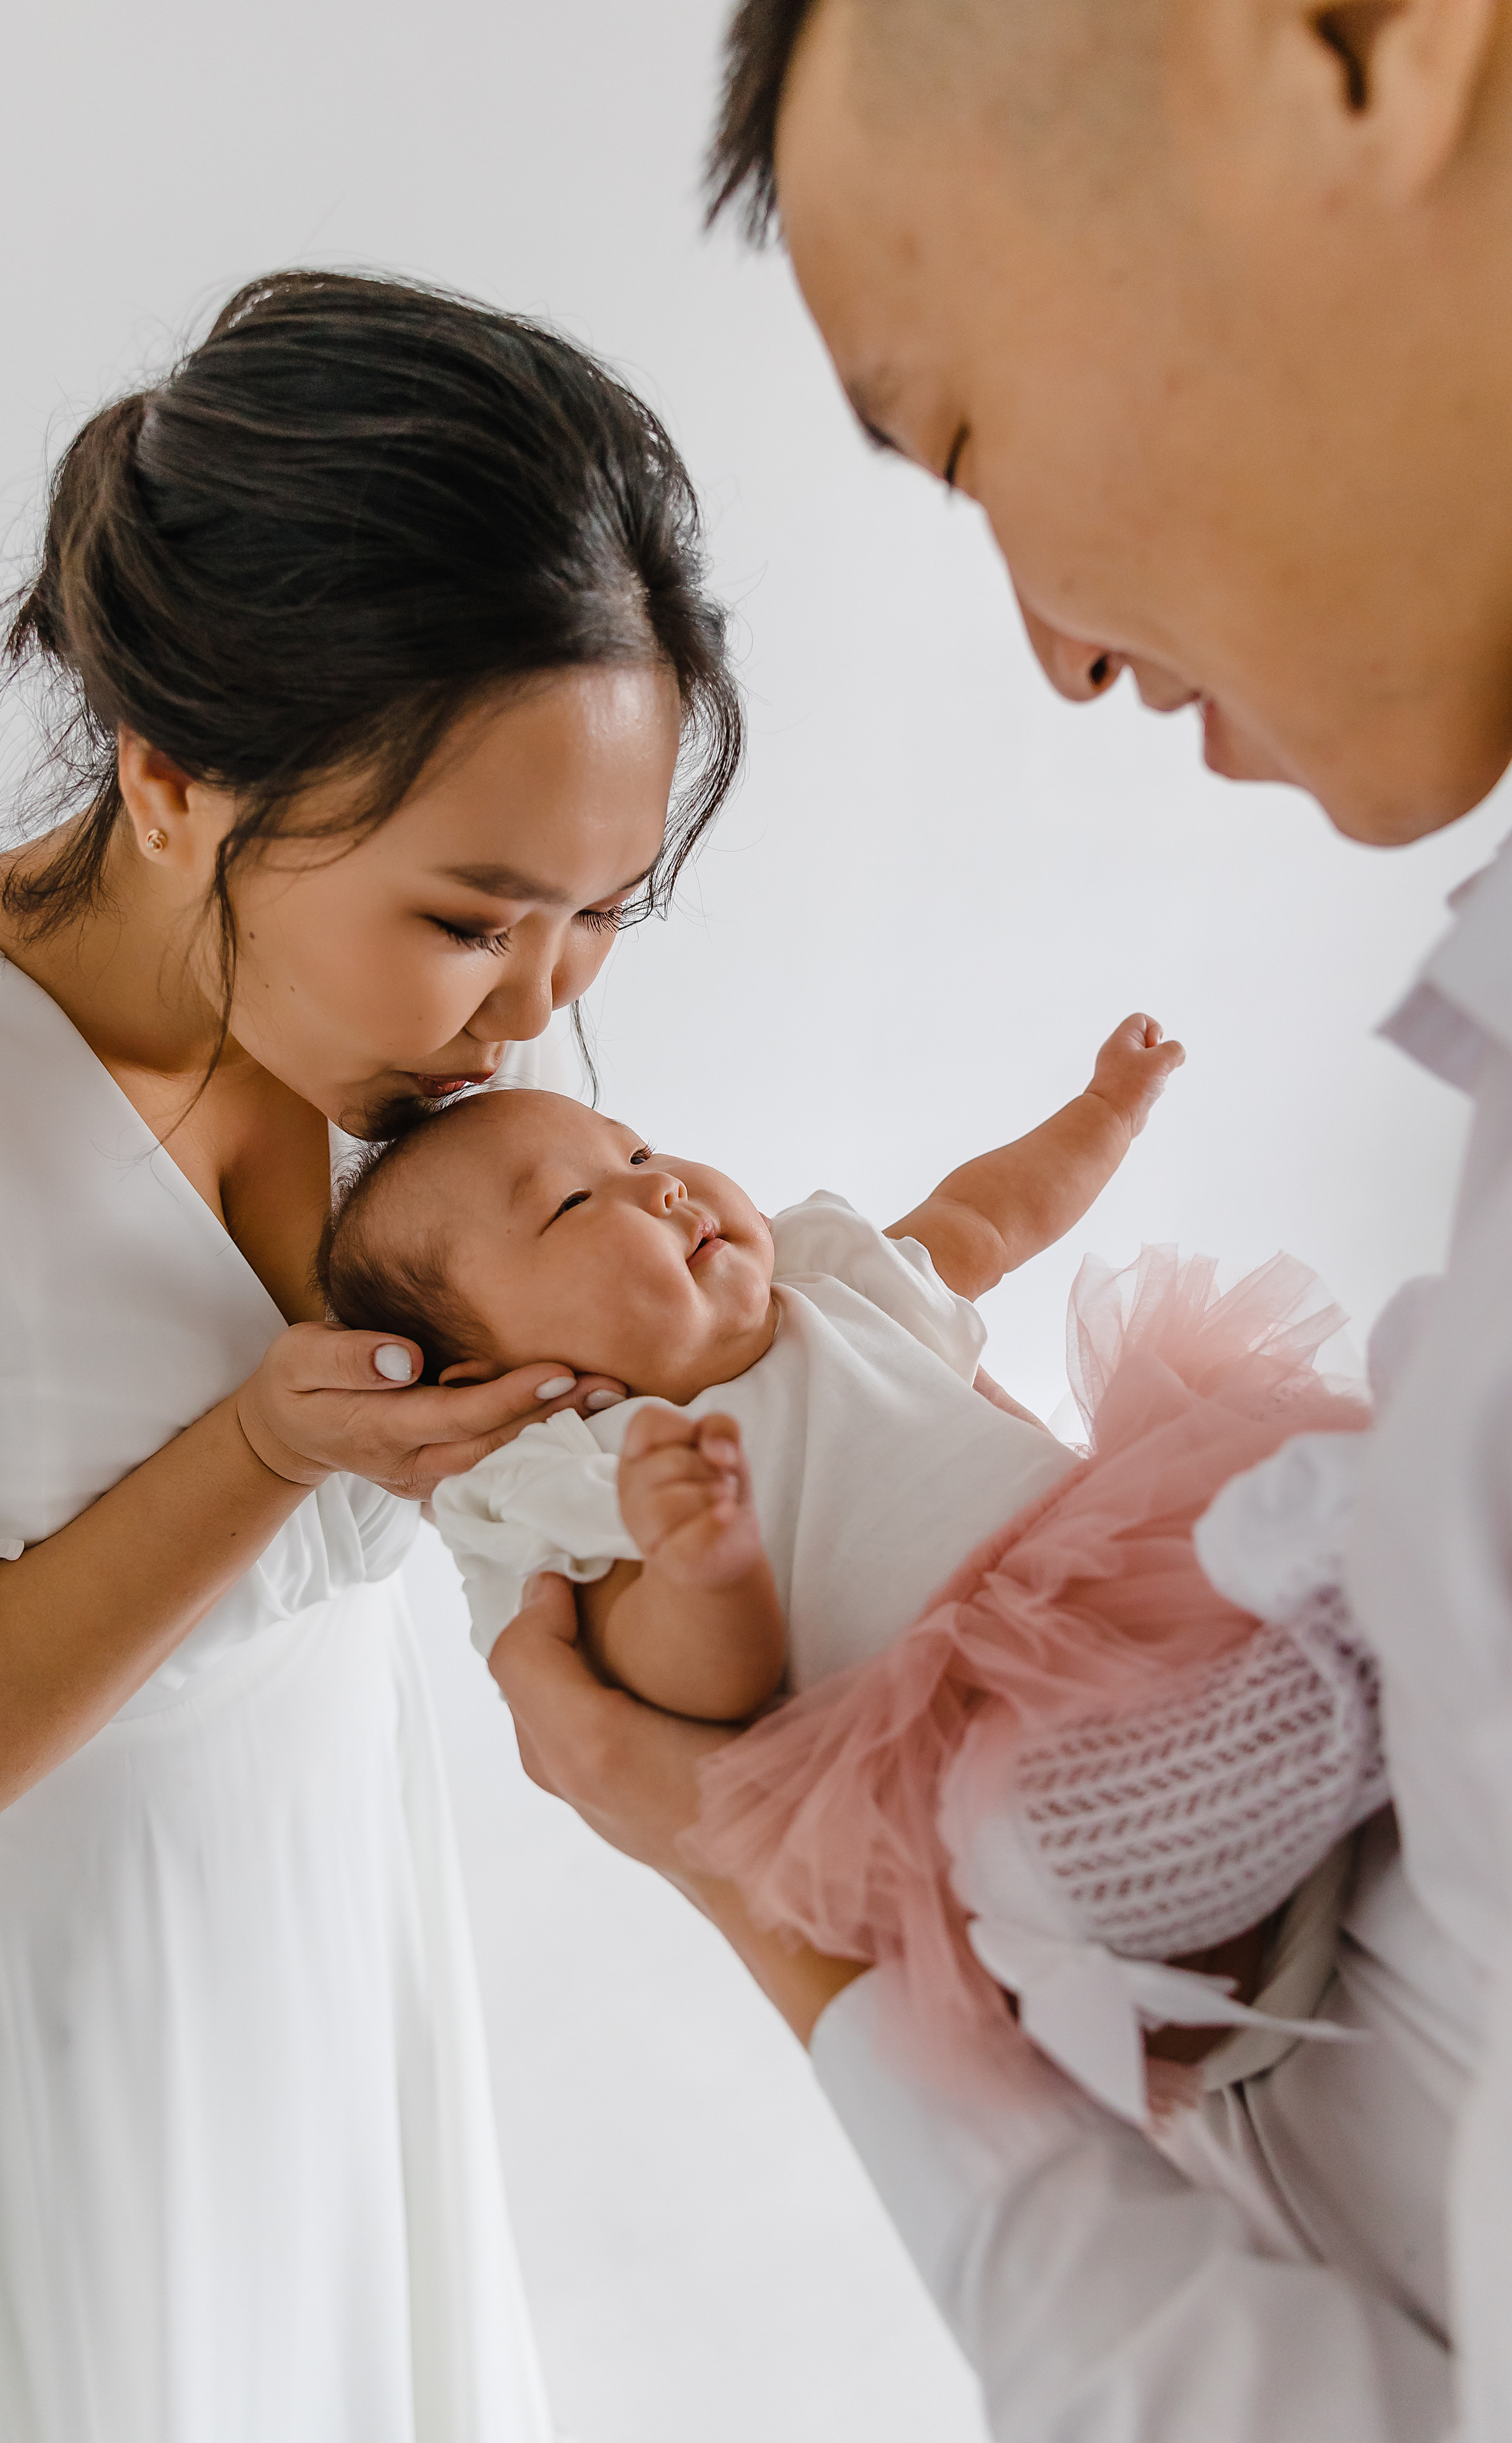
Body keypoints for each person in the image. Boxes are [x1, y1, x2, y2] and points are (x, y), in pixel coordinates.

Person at [482, 3, 1512, 2437]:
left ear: (1353, 48)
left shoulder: (824, 1270)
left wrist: (768, 1926)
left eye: (960, 435)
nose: (1052, 644)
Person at [0, 266, 742, 2443]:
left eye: (600, 909)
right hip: (22, 2087)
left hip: (334, 2001)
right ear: (174, 781)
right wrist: (259, 1457)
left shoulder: (410, 1082)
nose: (537, 1006)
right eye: (473, 917)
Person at [327, 1050, 1383, 2129]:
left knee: (1298, 1512)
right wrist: (703, 1565)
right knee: (1025, 1861)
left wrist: (1102, 1111)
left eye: (638, 1149)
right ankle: (1253, 1809)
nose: (661, 1184)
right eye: (571, 1203)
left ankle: (1340, 1686)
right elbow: (689, 1698)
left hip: (1138, 1600)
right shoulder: (591, 1476)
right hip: (978, 1745)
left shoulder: (826, 1282)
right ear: (487, 1379)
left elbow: (983, 1219)